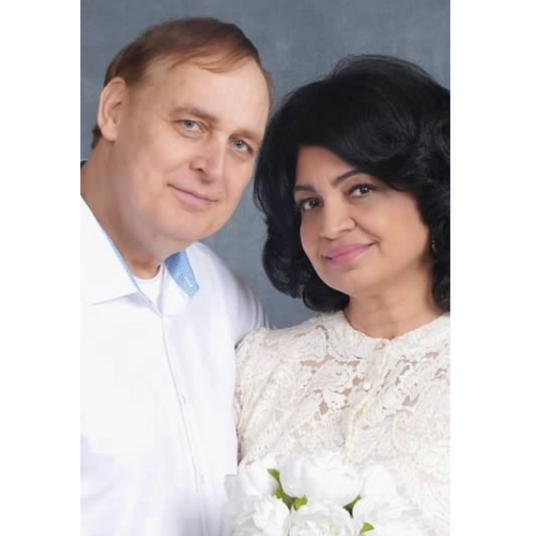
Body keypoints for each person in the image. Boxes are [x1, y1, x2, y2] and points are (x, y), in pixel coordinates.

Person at [236, 55, 453, 535]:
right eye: (310, 203)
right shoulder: (259, 367)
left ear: (432, 191)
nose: (330, 226)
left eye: (360, 190)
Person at [77, 18, 271, 536]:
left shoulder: (233, 304)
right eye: (191, 124)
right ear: (115, 111)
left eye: (240, 144)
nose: (213, 167)